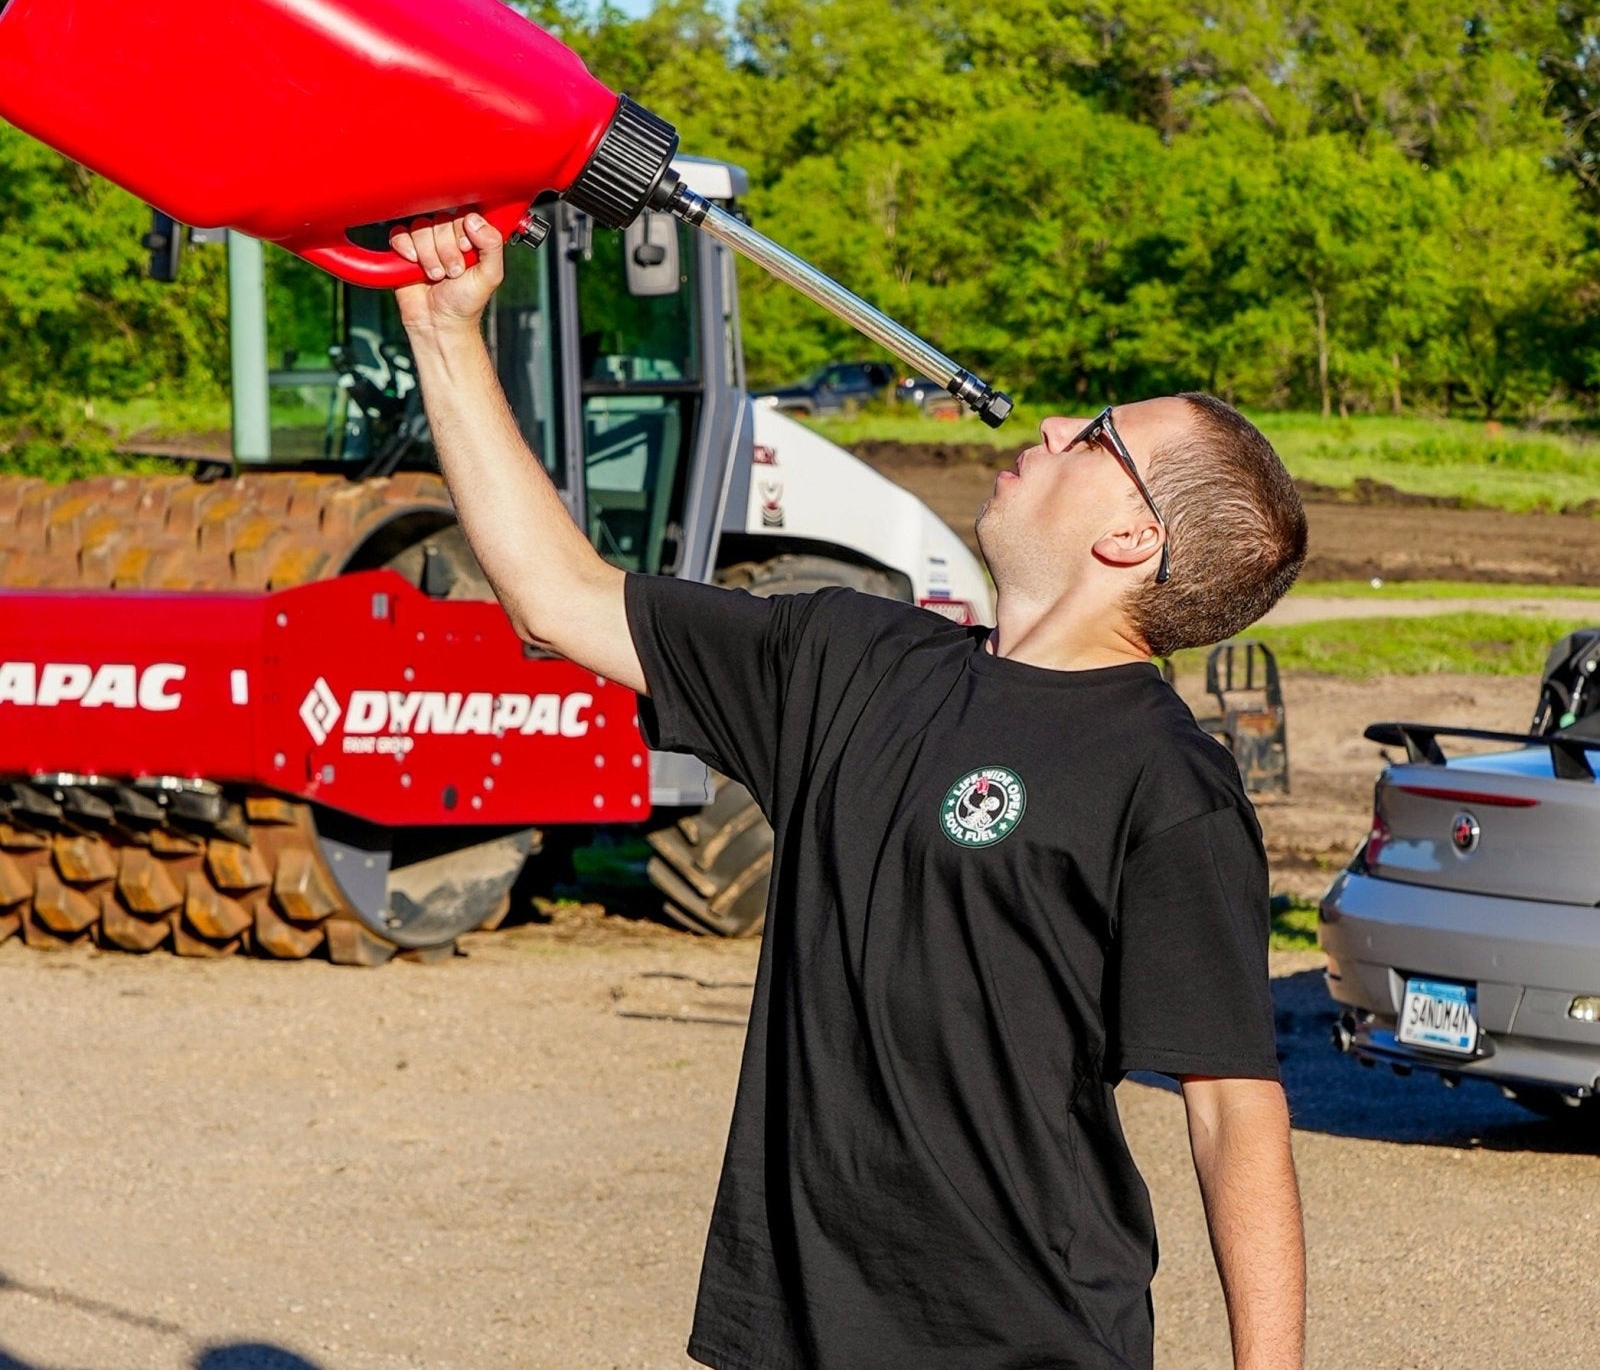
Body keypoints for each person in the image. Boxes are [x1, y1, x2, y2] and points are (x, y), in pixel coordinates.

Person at [389, 211, 1309, 1370]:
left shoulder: (1171, 788)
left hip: (1023, 1342)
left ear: (1131, 533)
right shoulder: (846, 659)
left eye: (1097, 437)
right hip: (790, 1334)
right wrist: (442, 326)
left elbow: (1233, 1109)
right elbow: (557, 597)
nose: (1053, 424)